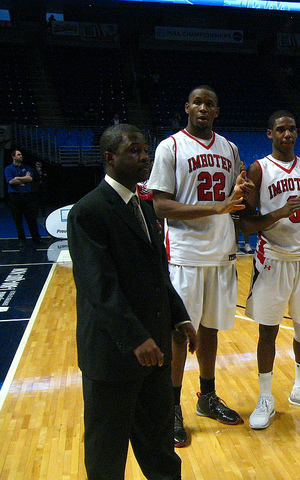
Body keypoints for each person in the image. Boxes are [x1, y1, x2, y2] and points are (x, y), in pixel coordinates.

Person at [67, 124, 198, 480]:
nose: (144, 157)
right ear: (109, 158)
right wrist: (136, 338)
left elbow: (158, 274)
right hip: (114, 354)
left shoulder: (145, 206)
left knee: (160, 448)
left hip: (155, 353)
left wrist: (180, 317)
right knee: (107, 454)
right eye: (134, 151)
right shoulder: (88, 211)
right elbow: (98, 287)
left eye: (145, 151)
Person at [148, 85, 253, 447]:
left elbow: (233, 197)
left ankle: (206, 397)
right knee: (180, 333)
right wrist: (217, 207)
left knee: (211, 329)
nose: (203, 108)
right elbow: (160, 206)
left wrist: (241, 191)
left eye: (210, 103)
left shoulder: (230, 148)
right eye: (197, 102)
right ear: (187, 107)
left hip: (222, 252)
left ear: (217, 111)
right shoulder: (170, 147)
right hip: (185, 254)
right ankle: (171, 407)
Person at [239, 111, 300, 429]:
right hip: (273, 259)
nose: (287, 134)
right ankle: (265, 397)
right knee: (268, 331)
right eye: (281, 129)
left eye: (292, 129)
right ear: (270, 134)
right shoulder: (259, 169)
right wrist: (279, 212)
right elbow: (246, 225)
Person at [4, 149, 42, 247]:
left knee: (31, 218)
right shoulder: (8, 169)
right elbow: (10, 181)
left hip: (27, 196)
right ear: (13, 157)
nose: (21, 156)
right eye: (18, 154)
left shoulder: (27, 167)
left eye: (21, 154)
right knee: (18, 219)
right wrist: (24, 178)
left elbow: (30, 178)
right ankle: (22, 240)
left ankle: (36, 239)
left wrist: (17, 178)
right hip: (15, 197)